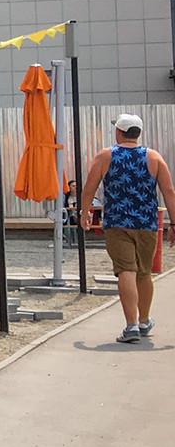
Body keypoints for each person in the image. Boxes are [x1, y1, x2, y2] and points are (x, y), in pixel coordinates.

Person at [80, 113, 175, 343]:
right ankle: (144, 320)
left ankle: (131, 325)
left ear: (119, 132)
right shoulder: (153, 157)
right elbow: (168, 191)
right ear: (137, 133)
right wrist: (174, 223)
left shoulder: (105, 156)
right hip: (147, 224)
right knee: (144, 273)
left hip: (116, 223)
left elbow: (89, 188)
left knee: (125, 271)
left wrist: (85, 213)